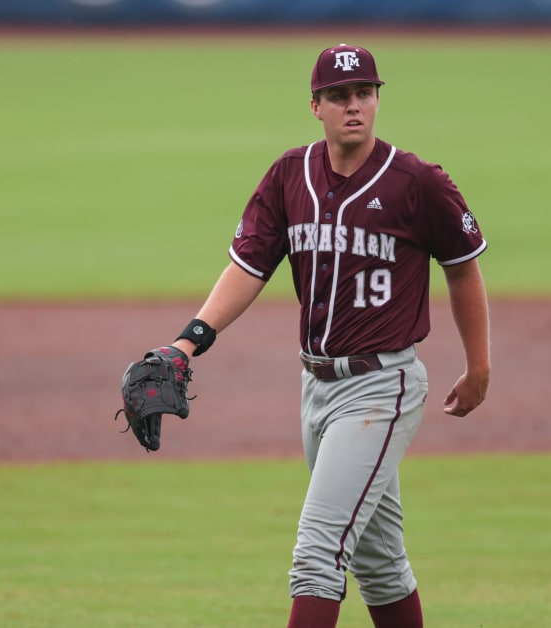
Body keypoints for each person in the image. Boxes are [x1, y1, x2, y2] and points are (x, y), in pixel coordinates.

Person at [153, 43, 491, 627]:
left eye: (364, 93)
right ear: (316, 106)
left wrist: (478, 365)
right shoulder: (290, 175)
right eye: (338, 96)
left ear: (379, 99)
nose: (353, 105)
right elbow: (248, 266)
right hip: (315, 389)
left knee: (317, 556)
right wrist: (188, 341)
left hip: (382, 387)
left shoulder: (418, 183)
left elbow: (462, 265)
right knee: (380, 564)